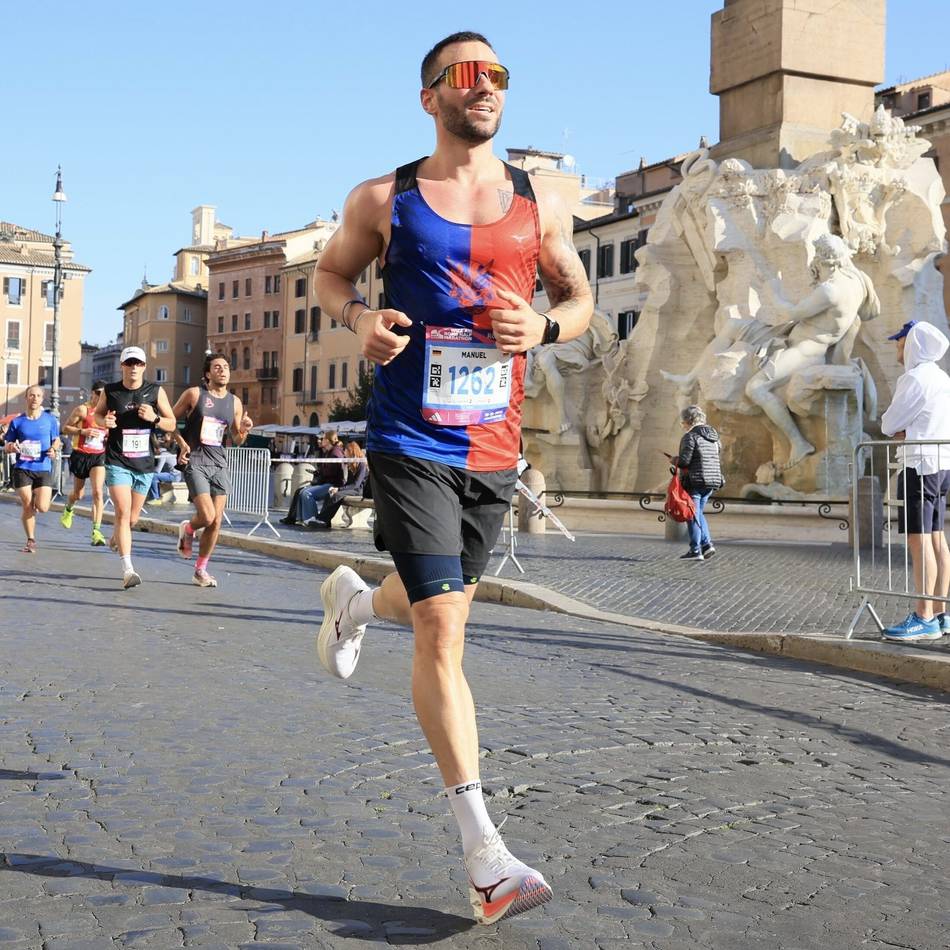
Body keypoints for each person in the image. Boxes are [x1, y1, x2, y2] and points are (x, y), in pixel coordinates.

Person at [312, 31, 593, 926]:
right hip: (408, 434)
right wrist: (359, 316)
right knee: (442, 629)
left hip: (494, 447)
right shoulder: (382, 197)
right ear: (429, 95)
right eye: (468, 76)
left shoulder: (539, 201)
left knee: (437, 604)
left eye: (499, 76)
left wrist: (544, 331)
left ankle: (354, 605)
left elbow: (578, 299)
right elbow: (327, 276)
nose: (486, 88)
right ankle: (486, 855)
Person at [879, 320, 950, 642]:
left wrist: (900, 428)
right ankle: (940, 612)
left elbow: (889, 423)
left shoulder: (915, 379)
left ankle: (924, 616)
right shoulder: (941, 377)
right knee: (936, 538)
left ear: (913, 345)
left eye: (901, 341)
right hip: (941, 464)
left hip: (920, 465)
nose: (897, 347)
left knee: (919, 540)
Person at [93, 345, 177, 589]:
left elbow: (171, 424)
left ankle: (117, 536)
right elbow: (97, 414)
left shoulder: (155, 391)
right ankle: (128, 569)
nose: (133, 367)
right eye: (129, 363)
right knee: (122, 511)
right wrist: (104, 421)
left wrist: (156, 418)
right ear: (122, 366)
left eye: (138, 363)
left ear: (144, 367)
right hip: (118, 460)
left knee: (131, 518)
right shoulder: (111, 391)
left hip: (144, 463)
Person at [172, 352, 253, 587]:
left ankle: (201, 569)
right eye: (217, 367)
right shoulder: (194, 394)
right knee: (206, 516)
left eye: (226, 367)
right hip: (195, 460)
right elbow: (169, 421)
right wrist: (181, 443)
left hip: (219, 463)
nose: (223, 370)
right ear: (207, 374)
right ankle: (188, 528)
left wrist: (245, 428)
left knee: (216, 522)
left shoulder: (235, 402)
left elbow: (237, 439)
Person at [3, 385, 61, 553]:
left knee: (43, 507)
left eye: (38, 396)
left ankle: (37, 500)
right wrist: (12, 446)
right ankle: (31, 540)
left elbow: (56, 440)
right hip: (23, 468)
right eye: (31, 395)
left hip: (43, 467)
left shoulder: (49, 420)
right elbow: (7, 446)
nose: (35, 398)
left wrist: (54, 448)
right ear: (26, 398)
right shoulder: (17, 421)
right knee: (27, 505)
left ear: (42, 399)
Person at [670, 405, 724, 561]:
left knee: (692, 515)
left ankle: (695, 550)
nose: (683, 425)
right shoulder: (714, 437)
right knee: (698, 513)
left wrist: (674, 460)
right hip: (712, 481)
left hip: (695, 481)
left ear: (688, 420)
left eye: (683, 422)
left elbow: (685, 461)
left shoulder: (690, 436)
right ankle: (707, 545)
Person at [59, 380, 109, 545]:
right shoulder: (82, 409)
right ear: (92, 393)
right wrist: (83, 431)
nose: (101, 397)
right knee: (78, 494)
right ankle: (69, 508)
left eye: (104, 395)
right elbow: (65, 428)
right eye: (99, 394)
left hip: (98, 456)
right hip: (80, 455)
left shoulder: (108, 413)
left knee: (98, 493)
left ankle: (96, 531)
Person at [305, 441, 369, 529]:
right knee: (330, 494)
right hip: (353, 488)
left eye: (346, 453)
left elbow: (356, 484)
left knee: (337, 495)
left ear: (352, 452)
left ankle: (322, 519)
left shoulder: (362, 464)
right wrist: (337, 488)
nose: (345, 455)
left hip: (360, 490)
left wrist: (339, 490)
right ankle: (324, 521)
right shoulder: (351, 464)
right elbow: (349, 483)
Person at [296, 431, 346, 525]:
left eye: (322, 438)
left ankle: (312, 519)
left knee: (307, 494)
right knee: (302, 491)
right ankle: (302, 518)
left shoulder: (335, 452)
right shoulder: (329, 452)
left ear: (327, 440)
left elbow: (334, 472)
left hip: (333, 485)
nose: (320, 440)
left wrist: (322, 472)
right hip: (327, 482)